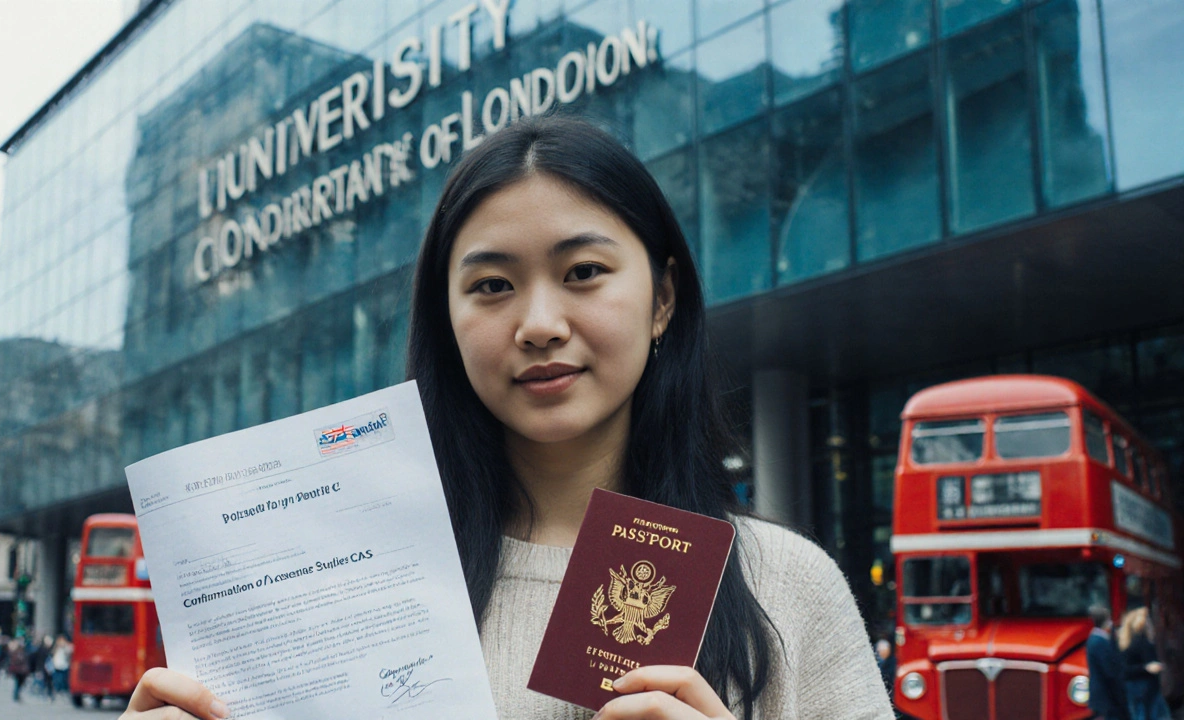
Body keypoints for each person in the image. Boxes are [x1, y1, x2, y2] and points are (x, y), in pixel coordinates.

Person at [119, 115, 892, 720]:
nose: (540, 323)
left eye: (584, 273)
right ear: (446, 321)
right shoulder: (338, 590)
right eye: (492, 286)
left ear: (662, 297)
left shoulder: (788, 587)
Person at [1118, 607, 1170, 720]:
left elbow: (1124, 669)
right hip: (1146, 685)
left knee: (1138, 715)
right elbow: (1148, 663)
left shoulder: (1125, 642)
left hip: (1131, 685)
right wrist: (1147, 667)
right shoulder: (1142, 641)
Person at [1089, 605, 1131, 720]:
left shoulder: (1094, 638)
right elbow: (1109, 670)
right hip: (1106, 695)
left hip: (1101, 694)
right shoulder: (1100, 642)